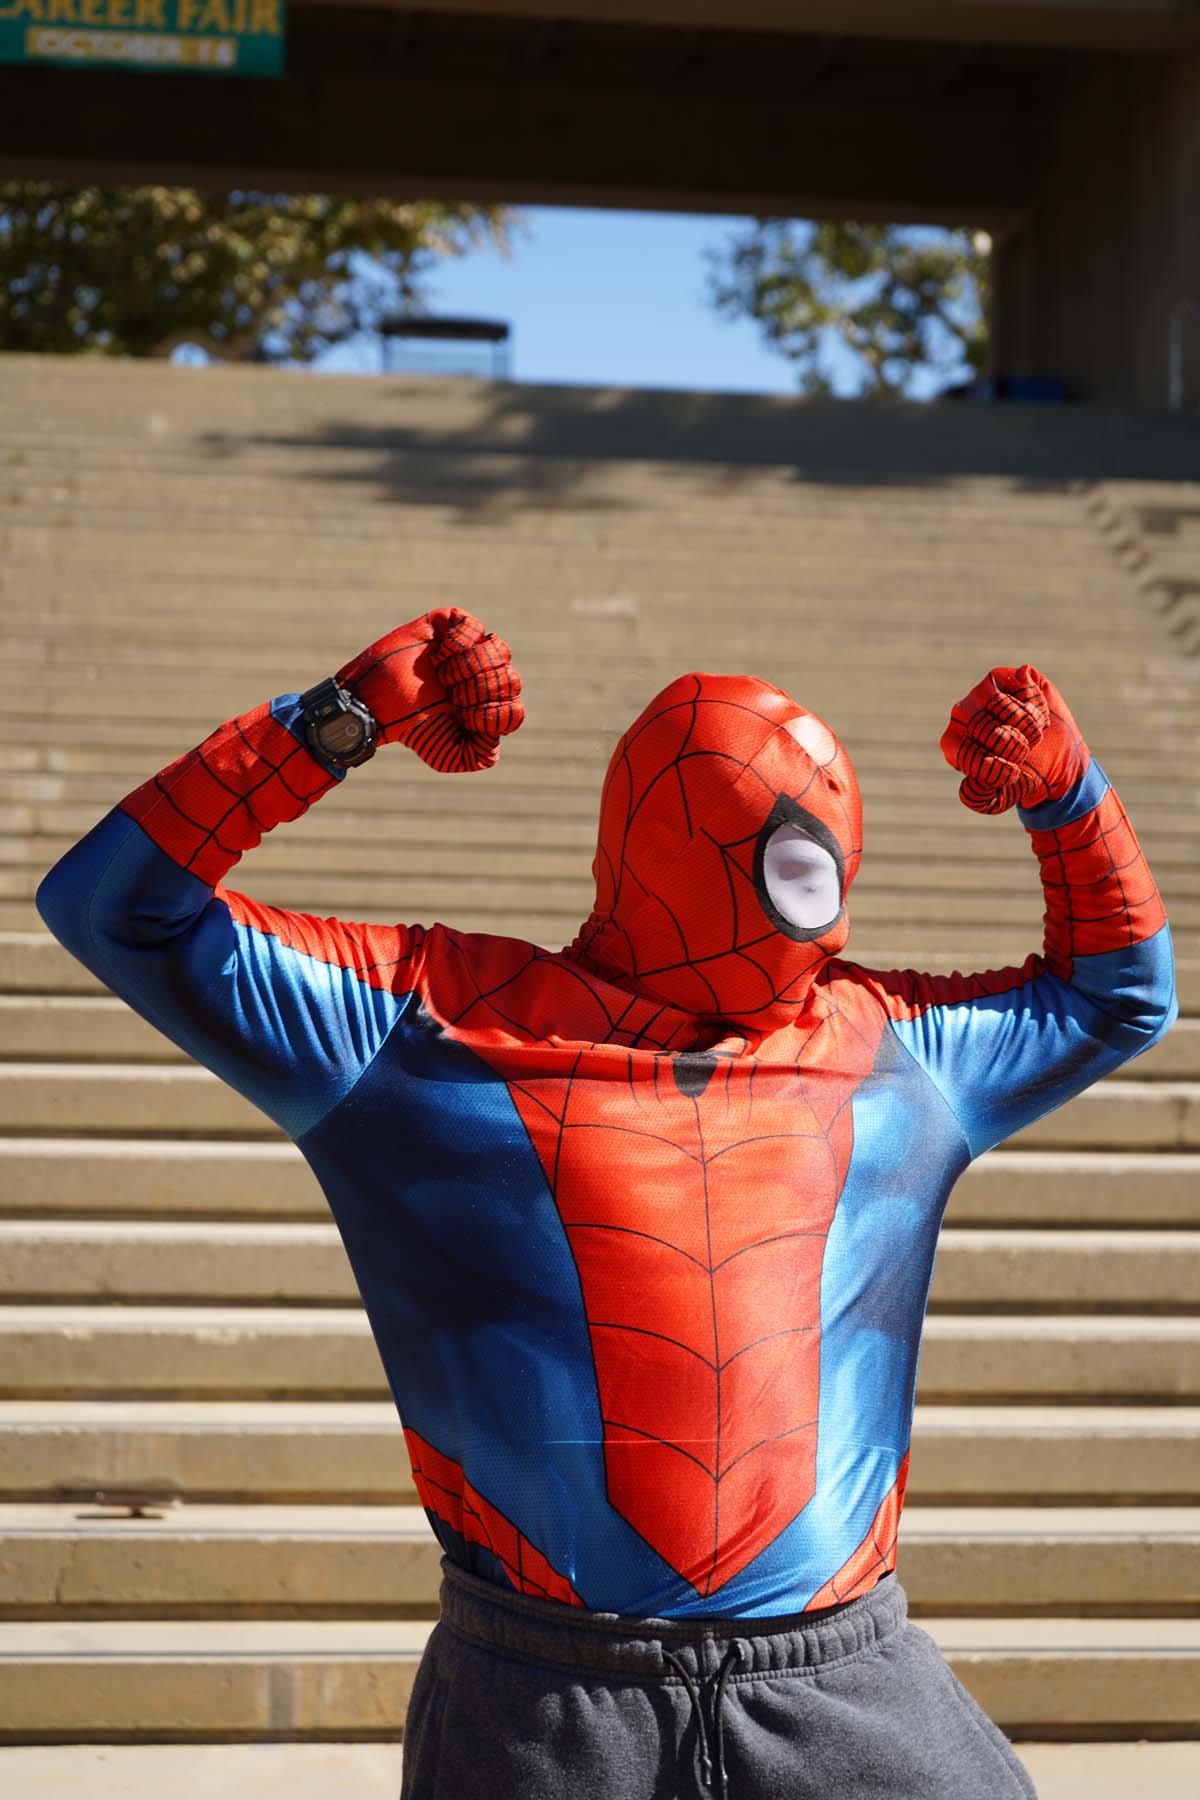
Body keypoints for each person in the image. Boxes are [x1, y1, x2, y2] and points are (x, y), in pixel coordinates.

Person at [37, 609, 1175, 1800]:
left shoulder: (888, 1048)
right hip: (545, 1703)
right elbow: (112, 908)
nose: (823, 914)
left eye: (830, 867)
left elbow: (1122, 997)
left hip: (837, 1680)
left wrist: (1069, 790)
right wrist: (339, 719)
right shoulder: (422, 1022)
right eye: (793, 866)